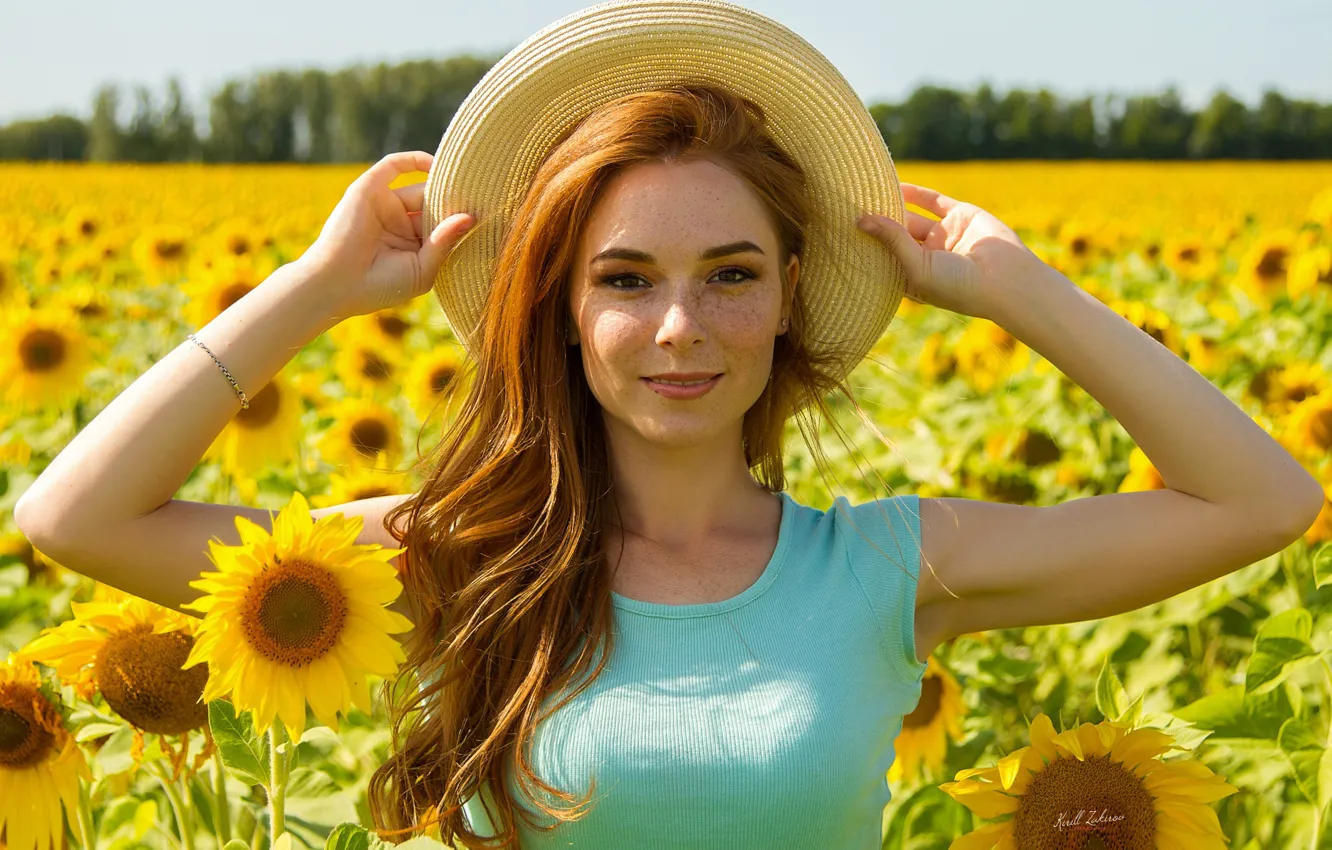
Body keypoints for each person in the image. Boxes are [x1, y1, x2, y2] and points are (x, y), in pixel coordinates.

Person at [15, 2, 1323, 850]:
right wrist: (315, 286)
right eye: (625, 279)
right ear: (564, 312)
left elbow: (1257, 502)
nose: (681, 326)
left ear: (788, 298)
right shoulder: (460, 560)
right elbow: (72, 518)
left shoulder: (885, 568)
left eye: (732, 273)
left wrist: (1014, 289)